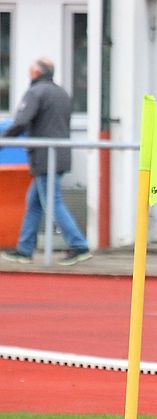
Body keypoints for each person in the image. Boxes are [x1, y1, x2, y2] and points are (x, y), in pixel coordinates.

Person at [1, 58, 91, 266]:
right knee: (34, 202)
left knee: (52, 201)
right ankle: (24, 250)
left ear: (36, 72)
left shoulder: (35, 92)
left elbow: (21, 122)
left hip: (44, 157)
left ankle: (79, 245)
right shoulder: (61, 93)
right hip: (58, 154)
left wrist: (3, 141)